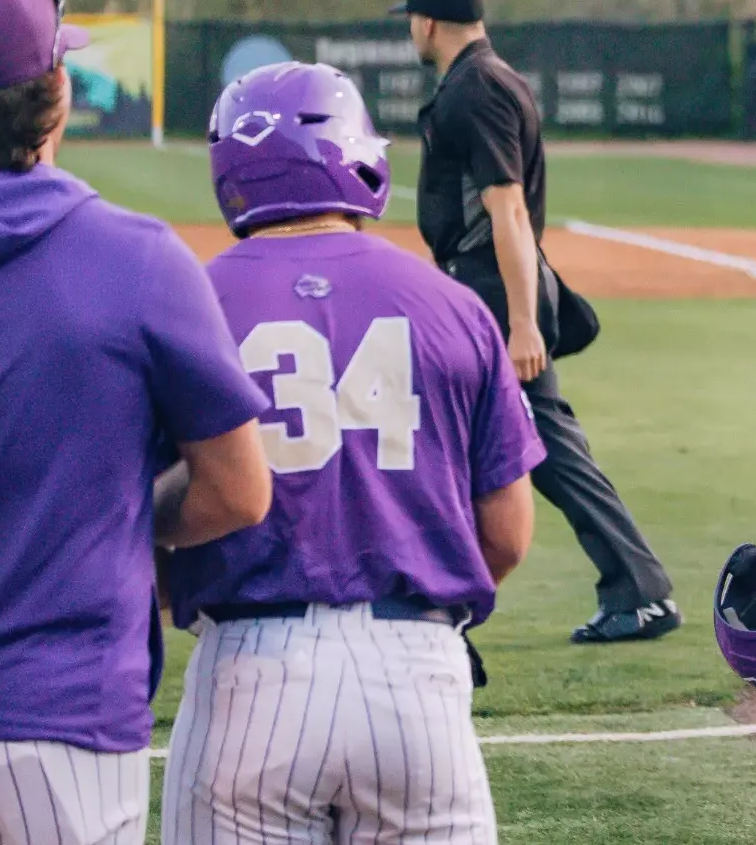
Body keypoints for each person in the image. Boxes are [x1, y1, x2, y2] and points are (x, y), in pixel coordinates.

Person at [163, 62, 542, 842]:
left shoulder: (188, 301)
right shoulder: (453, 304)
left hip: (247, 670)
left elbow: (138, 509)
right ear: (353, 152)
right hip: (416, 676)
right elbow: (507, 534)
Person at [0, 0, 273, 843]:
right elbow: (237, 491)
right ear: (57, 98)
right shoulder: (137, 260)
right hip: (62, 710)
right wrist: (120, 518)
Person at [396, 0, 680, 643]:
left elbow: (509, 211)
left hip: (495, 295)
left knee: (546, 448)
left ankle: (641, 592)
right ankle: (439, 592)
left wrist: (523, 323)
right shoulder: (487, 79)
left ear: (428, 22)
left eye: (409, 18)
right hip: (485, 289)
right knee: (465, 440)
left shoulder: (477, 89)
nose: (410, 29)